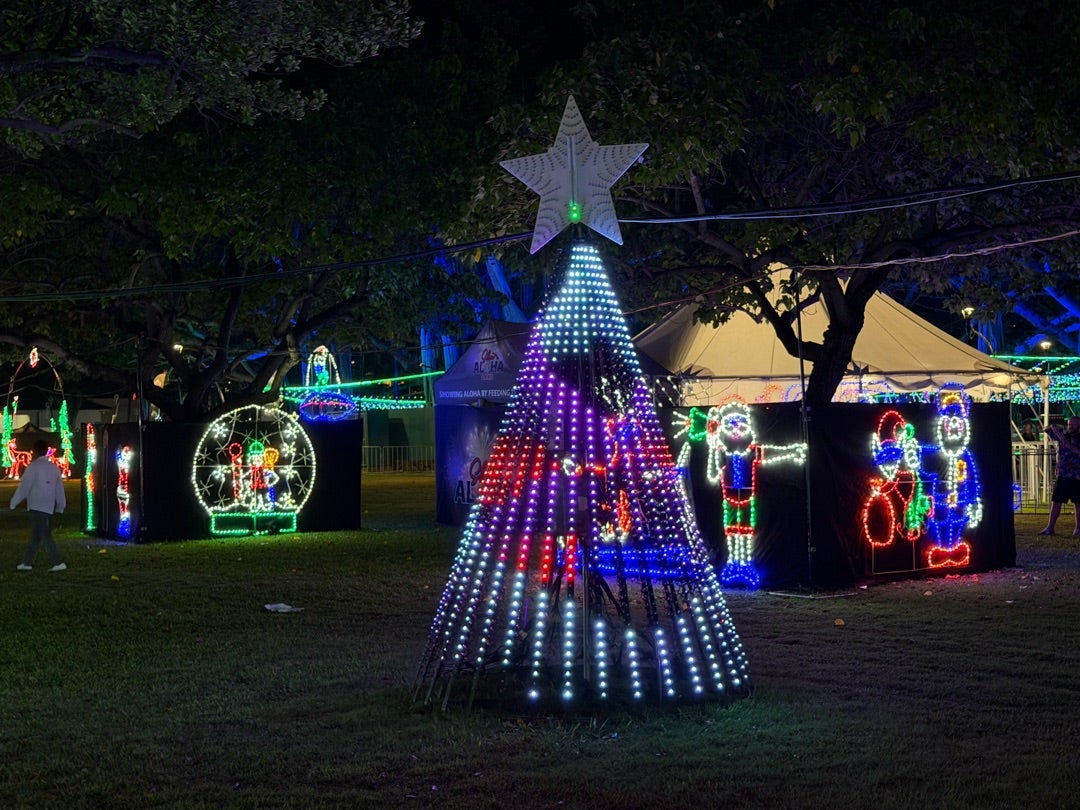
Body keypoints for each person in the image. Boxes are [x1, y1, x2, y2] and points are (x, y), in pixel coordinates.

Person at [11, 440, 67, 572]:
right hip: (48, 505)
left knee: (44, 534)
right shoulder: (53, 467)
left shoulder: (33, 467)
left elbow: (24, 488)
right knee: (36, 535)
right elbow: (59, 488)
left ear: (35, 451)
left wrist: (14, 502)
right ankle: (26, 562)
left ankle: (58, 561)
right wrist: (60, 504)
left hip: (36, 505)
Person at [1040, 416, 1080, 536]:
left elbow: (1076, 451)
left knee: (1078, 502)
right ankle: (1050, 527)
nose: (1070, 427)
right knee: (1056, 501)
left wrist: (1063, 439)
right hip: (1063, 474)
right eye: (1069, 424)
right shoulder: (1064, 435)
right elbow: (1046, 429)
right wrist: (1053, 426)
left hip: (1076, 475)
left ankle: (1078, 528)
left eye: (1073, 425)